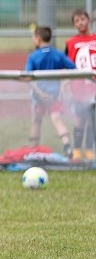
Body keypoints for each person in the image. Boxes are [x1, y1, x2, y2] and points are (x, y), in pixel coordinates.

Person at [26, 26, 76, 158]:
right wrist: (63, 86)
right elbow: (73, 69)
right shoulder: (58, 54)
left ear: (38, 39)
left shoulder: (34, 56)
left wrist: (40, 93)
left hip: (39, 97)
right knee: (57, 119)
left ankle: (33, 149)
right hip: (55, 96)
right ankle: (67, 148)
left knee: (36, 121)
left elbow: (28, 77)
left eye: (33, 38)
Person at [65, 9, 96, 161]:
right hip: (79, 87)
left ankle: (89, 149)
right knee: (79, 118)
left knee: (92, 119)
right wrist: (66, 85)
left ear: (88, 20)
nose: (81, 23)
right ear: (74, 25)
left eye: (83, 19)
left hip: (93, 86)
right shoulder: (71, 43)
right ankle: (77, 149)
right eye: (77, 21)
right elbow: (66, 65)